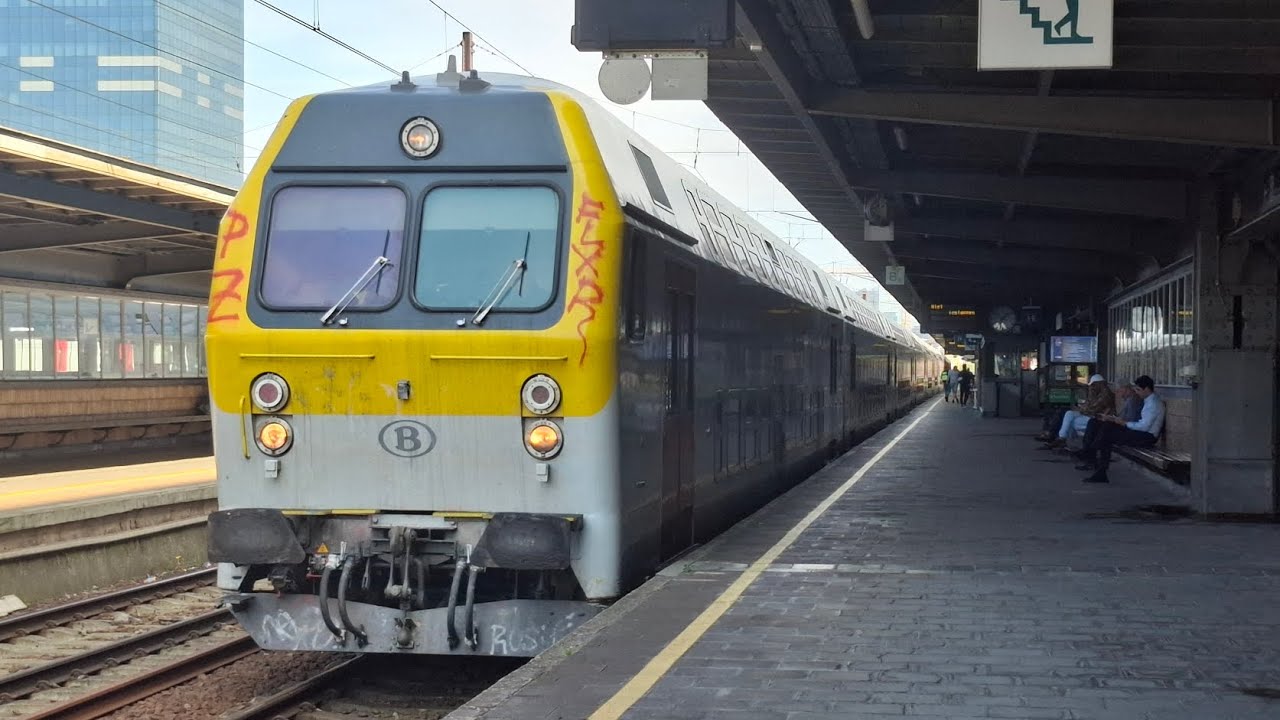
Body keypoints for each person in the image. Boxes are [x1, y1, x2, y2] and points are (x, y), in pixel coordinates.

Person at [1079, 375, 1165, 484]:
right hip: (1140, 433)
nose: (1136, 392)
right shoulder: (1149, 400)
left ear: (1147, 389)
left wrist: (1124, 423)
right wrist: (1117, 420)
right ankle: (1096, 459)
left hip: (1146, 437)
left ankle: (1094, 455)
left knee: (1107, 434)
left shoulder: (1153, 403)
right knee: (1104, 426)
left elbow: (1144, 427)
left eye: (1138, 390)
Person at [1043, 374, 1113, 448]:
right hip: (1088, 415)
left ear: (1099, 384)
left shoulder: (1105, 395)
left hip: (1096, 418)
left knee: (1070, 421)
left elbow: (1093, 409)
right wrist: (1083, 407)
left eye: (1093, 385)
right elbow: (1088, 404)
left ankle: (1063, 440)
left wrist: (1081, 409)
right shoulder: (1096, 392)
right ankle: (1062, 438)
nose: (1092, 387)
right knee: (1069, 414)